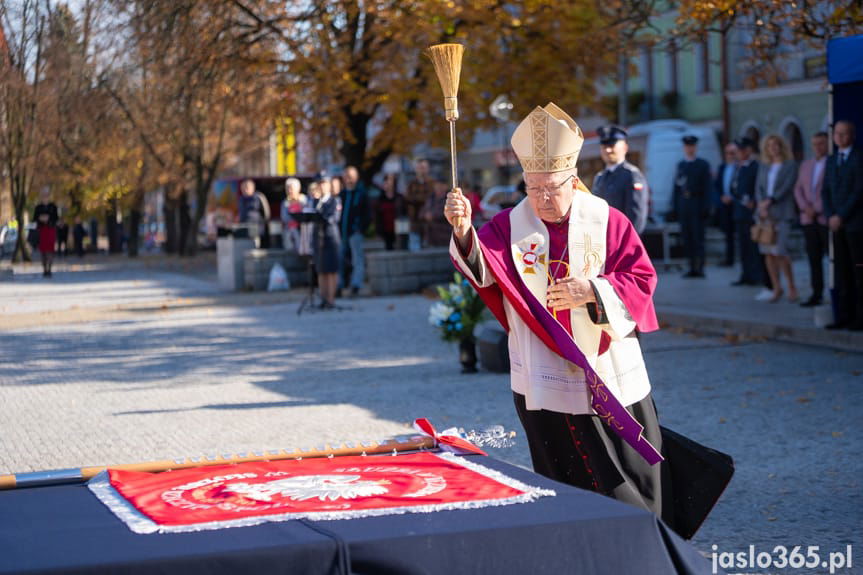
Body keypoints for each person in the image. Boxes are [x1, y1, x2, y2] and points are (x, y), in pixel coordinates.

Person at [446, 102, 671, 524]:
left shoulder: (607, 220)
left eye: (553, 188)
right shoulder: (511, 225)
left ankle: (640, 537)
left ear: (573, 180)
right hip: (543, 367)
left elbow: (642, 279)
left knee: (624, 473)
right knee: (561, 468)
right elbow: (483, 268)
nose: (544, 200)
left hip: (604, 366)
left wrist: (593, 291)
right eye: (534, 189)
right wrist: (462, 231)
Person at [823, 120, 863, 330]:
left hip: (855, 225)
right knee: (842, 272)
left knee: (858, 271)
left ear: (852, 136)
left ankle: (860, 317)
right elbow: (825, 191)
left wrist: (841, 215)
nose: (840, 137)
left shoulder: (859, 158)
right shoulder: (831, 161)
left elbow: (858, 191)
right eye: (837, 133)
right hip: (836, 226)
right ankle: (843, 315)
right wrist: (830, 215)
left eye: (844, 134)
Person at [754, 134, 799, 303]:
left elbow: (787, 186)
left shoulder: (790, 165)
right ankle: (776, 287)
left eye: (776, 145)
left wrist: (770, 201)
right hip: (765, 215)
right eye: (769, 145)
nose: (773, 148)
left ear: (781, 146)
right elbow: (758, 187)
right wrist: (761, 205)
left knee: (780, 251)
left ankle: (792, 286)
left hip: (783, 212)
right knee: (768, 253)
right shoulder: (764, 166)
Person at [793, 132, 829, 307]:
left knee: (832, 258)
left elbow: (829, 191)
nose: (818, 147)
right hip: (807, 218)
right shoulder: (806, 165)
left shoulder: (832, 163)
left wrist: (817, 208)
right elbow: (798, 188)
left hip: (824, 218)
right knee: (813, 259)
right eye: (815, 144)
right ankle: (816, 293)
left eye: (821, 143)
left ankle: (839, 294)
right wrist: (805, 208)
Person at [592, 125, 649, 234]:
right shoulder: (599, 178)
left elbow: (637, 217)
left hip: (622, 240)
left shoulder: (632, 175)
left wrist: (628, 242)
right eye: (604, 146)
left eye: (612, 145)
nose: (608, 150)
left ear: (625, 148)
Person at [672, 135, 712, 278]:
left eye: (692, 146)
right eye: (687, 146)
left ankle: (700, 268)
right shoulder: (681, 165)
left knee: (698, 238)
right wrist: (675, 207)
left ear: (695, 147)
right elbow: (676, 187)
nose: (689, 149)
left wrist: (706, 207)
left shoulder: (702, 165)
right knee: (687, 238)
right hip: (684, 207)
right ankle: (690, 267)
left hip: (697, 205)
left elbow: (708, 187)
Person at [730, 137, 762, 287]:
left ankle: (756, 275)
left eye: (742, 150)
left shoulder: (755, 166)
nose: (740, 153)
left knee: (753, 245)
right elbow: (734, 187)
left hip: (751, 212)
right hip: (740, 211)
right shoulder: (739, 167)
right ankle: (745, 274)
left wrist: (754, 201)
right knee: (743, 246)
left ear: (749, 150)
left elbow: (759, 187)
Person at [338, 166, 371, 296]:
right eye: (346, 176)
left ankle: (356, 284)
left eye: (351, 176)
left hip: (355, 232)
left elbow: (367, 215)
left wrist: (360, 228)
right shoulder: (342, 194)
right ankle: (339, 285)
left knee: (357, 259)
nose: (348, 179)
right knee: (339, 259)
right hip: (342, 232)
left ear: (356, 178)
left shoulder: (361, 194)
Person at [313, 176, 342, 309]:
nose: (322, 187)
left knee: (331, 269)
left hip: (330, 237)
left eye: (325, 184)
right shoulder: (316, 201)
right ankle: (323, 298)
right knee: (321, 270)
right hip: (319, 238)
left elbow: (333, 218)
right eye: (321, 184)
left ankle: (331, 299)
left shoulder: (334, 201)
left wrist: (320, 216)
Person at [715, 143, 738, 267]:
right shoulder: (722, 167)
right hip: (724, 204)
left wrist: (732, 197)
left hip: (736, 204)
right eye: (728, 153)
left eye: (732, 153)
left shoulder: (739, 167)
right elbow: (717, 185)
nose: (730, 156)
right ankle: (729, 258)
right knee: (727, 233)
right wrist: (721, 197)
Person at [404, 158, 437, 243]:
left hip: (430, 222)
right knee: (415, 247)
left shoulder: (433, 183)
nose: (422, 170)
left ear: (428, 169)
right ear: (416, 169)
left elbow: (436, 199)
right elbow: (407, 198)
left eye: (424, 167)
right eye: (419, 167)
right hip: (415, 220)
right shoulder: (411, 184)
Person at [33, 188, 59, 277]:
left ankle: (50, 269)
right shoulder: (38, 207)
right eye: (43, 195)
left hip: (50, 230)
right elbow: (35, 218)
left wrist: (49, 219)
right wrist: (40, 219)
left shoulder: (53, 206)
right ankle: (45, 269)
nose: (45, 196)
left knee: (50, 250)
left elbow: (56, 218)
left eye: (46, 194)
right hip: (42, 230)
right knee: (43, 251)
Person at [238, 179, 271, 248]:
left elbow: (266, 212)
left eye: (247, 187)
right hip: (244, 226)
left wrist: (264, 223)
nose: (244, 190)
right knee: (245, 245)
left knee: (255, 245)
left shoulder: (258, 197)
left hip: (256, 226)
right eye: (243, 188)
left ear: (253, 188)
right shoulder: (241, 199)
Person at [376, 173, 404, 250]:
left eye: (388, 182)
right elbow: (377, 216)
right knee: (388, 249)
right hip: (385, 230)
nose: (386, 184)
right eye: (385, 182)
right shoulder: (380, 198)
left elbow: (403, 213)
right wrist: (378, 231)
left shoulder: (399, 198)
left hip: (398, 230)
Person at [420, 180, 452, 247]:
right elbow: (422, 212)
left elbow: (448, 212)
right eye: (437, 185)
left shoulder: (450, 198)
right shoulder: (430, 198)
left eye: (441, 185)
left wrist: (433, 215)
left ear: (445, 186)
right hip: (430, 237)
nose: (438, 187)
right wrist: (425, 215)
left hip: (445, 237)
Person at [281, 178, 307, 252]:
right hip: (289, 230)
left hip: (302, 231)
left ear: (298, 188)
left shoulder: (304, 200)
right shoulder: (285, 202)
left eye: (291, 188)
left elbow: (305, 216)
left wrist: (295, 217)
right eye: (288, 188)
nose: (289, 191)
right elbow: (284, 217)